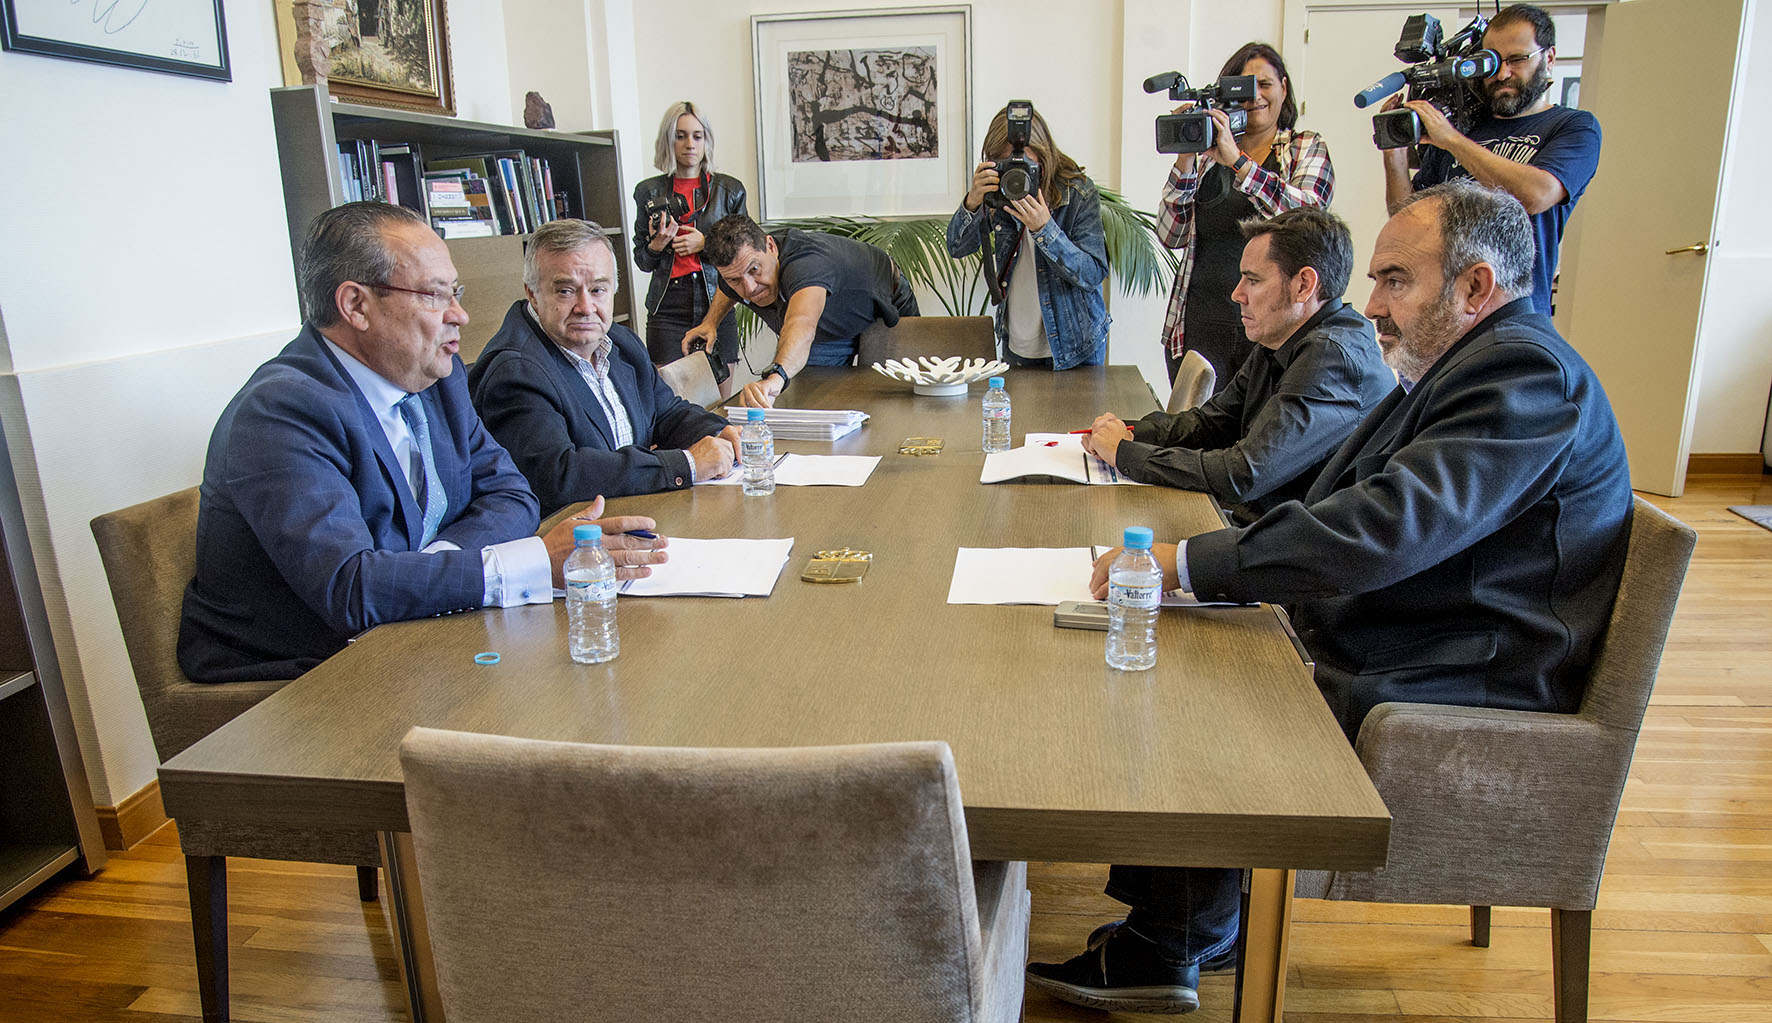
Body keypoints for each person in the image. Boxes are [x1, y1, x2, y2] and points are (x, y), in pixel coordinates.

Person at [1029, 179, 1633, 1015]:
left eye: (1396, 280)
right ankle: (1194, 921)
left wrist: (1195, 564)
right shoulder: (1470, 362)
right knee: (1195, 640)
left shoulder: (1525, 374)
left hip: (1461, 667)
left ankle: (1165, 946)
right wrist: (1213, 568)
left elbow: (1383, 528)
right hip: (1428, 627)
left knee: (1189, 677)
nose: (1374, 302)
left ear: (1475, 288)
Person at [178, 203, 668, 684]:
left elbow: (514, 495)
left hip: (423, 630)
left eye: (456, 292)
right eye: (436, 296)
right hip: (306, 676)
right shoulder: (281, 412)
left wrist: (427, 570)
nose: (461, 314)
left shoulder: (438, 375)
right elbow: (351, 591)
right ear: (356, 306)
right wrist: (530, 561)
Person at [1080, 207, 1389, 523]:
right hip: (1269, 525)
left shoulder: (1331, 355)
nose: (1237, 293)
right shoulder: (1282, 336)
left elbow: (1244, 474)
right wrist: (1128, 431)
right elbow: (1212, 423)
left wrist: (1124, 452)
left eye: (1252, 280)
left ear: (1304, 285)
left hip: (1303, 548)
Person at [468, 220, 741, 515]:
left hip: (639, 511)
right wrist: (686, 464)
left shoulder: (619, 342)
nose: (586, 307)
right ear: (533, 294)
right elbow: (560, 475)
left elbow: (667, 414)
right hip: (576, 537)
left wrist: (721, 432)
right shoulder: (514, 371)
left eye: (598, 289)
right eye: (565, 291)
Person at [1381, 3, 1601, 316]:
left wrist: (1452, 141)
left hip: (1514, 318)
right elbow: (1407, 221)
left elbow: (1535, 195)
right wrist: (1395, 154)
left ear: (1548, 58)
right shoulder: (1460, 127)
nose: (1502, 73)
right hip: (1440, 316)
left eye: (1516, 60)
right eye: (1491, 62)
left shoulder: (1573, 126)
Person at [1158, 41, 1334, 393]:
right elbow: (1171, 234)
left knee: (1259, 438)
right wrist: (1186, 157)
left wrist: (1239, 164)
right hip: (1200, 324)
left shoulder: (1303, 147)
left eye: (1264, 85)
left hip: (1275, 327)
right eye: (1241, 89)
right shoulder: (1207, 156)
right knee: (1194, 434)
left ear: (1284, 88)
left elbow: (1307, 221)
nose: (1254, 97)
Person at [691, 213, 919, 408]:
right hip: (830, 330)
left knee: (908, 397)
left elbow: (801, 323)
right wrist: (710, 322)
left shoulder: (806, 264)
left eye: (754, 270)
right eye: (735, 279)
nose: (749, 288)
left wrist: (776, 376)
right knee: (816, 405)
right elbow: (726, 289)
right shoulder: (738, 269)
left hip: (881, 302)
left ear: (771, 246)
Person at [945, 103, 1110, 369]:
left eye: (1021, 158)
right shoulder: (995, 194)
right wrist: (973, 202)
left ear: (1042, 154)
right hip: (1018, 346)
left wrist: (1046, 230)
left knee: (1079, 414)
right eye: (1004, 161)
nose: (1014, 169)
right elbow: (956, 247)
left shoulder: (1077, 193)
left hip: (1077, 346)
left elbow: (1093, 273)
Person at [631, 101, 749, 392]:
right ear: (668, 140)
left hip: (717, 303)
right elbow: (643, 261)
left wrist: (705, 243)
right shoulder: (648, 191)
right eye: (680, 135)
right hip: (668, 307)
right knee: (671, 403)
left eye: (697, 136)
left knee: (722, 402)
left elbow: (746, 252)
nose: (689, 144)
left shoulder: (729, 190)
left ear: (706, 140)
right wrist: (658, 244)